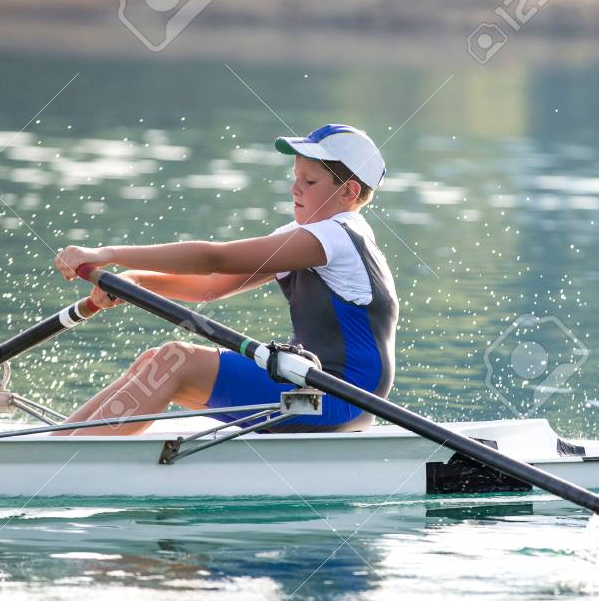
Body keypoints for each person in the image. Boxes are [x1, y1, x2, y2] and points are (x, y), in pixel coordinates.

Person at [52, 123, 398, 435]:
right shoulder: (306, 236)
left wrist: (107, 253)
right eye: (295, 177)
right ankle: (59, 445)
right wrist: (137, 281)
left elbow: (214, 259)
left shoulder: (335, 236)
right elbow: (211, 286)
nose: (295, 189)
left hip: (339, 399)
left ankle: (71, 460)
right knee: (154, 362)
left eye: (309, 182)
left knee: (175, 361)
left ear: (348, 192)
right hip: (310, 387)